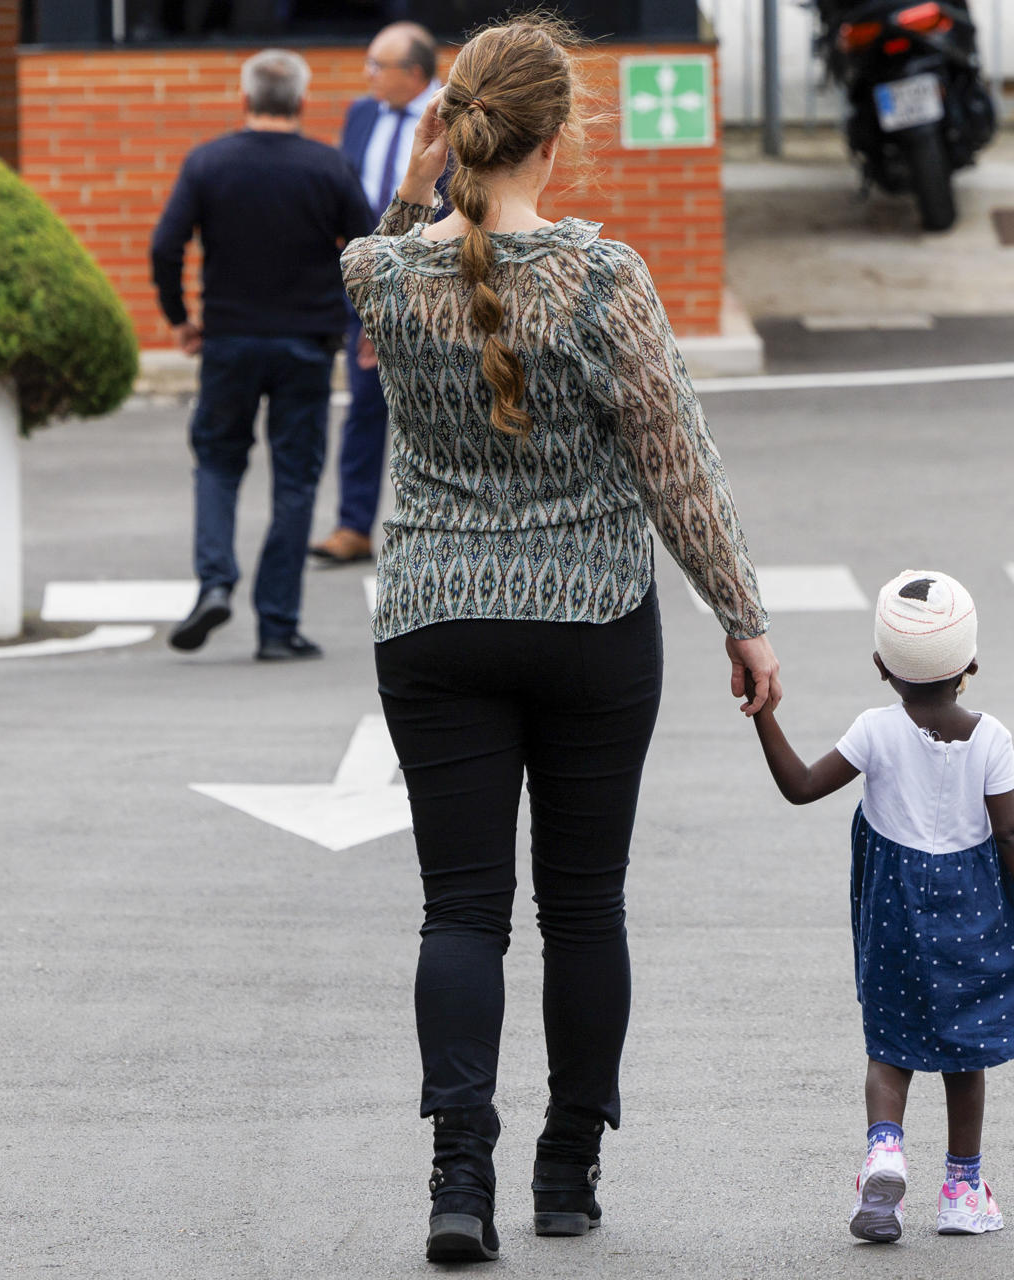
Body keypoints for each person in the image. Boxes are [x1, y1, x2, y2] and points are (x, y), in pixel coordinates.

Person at [340, 16, 781, 1264]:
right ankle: (568, 1168)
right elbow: (675, 462)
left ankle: (456, 1176)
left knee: (461, 909)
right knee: (584, 906)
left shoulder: (378, 276)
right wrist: (740, 616)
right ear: (558, 136)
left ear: (452, 129)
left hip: (433, 617)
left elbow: (383, 237)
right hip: (590, 617)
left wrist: (425, 162)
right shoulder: (605, 279)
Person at [749, 570, 1014, 1244]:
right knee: (966, 1046)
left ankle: (885, 1153)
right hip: (970, 916)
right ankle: (961, 1188)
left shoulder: (874, 731)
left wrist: (765, 713)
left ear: (881, 669)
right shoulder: (991, 740)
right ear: (971, 667)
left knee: (890, 1045)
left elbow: (802, 786)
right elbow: (1013, 835)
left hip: (892, 913)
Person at [149, 48, 372, 661]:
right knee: (295, 480)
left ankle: (216, 583)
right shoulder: (329, 166)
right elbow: (370, 249)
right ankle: (277, 626)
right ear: (301, 102)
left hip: (228, 340)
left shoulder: (208, 162)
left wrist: (179, 319)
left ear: (244, 100)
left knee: (219, 463)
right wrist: (372, 325)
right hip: (307, 343)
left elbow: (166, 246)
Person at [312, 20, 444, 568]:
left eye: (377, 65)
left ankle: (444, 523)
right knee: (365, 405)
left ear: (414, 74)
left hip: (433, 283)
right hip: (367, 280)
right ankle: (353, 525)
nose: (367, 74)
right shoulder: (362, 113)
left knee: (440, 405)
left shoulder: (452, 120)